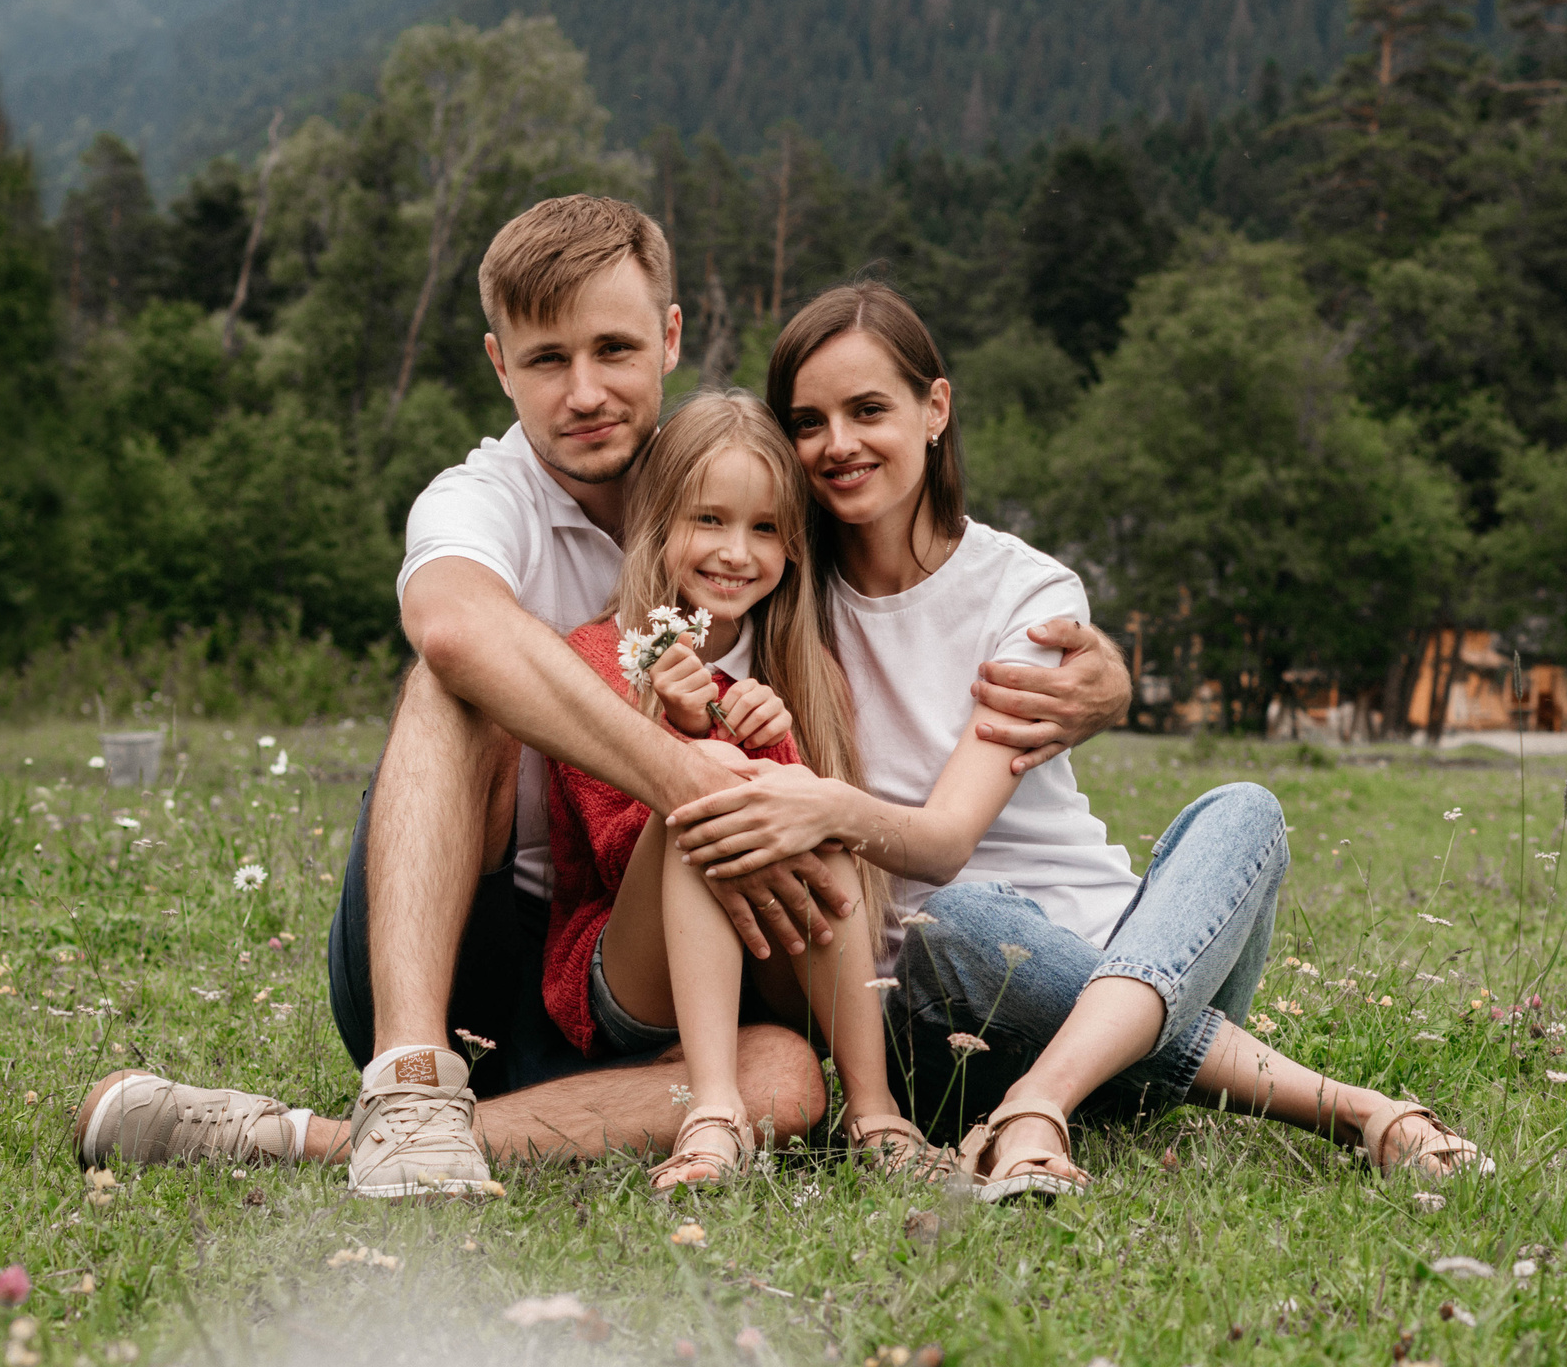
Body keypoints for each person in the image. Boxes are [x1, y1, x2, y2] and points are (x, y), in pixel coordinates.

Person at [71, 197, 1129, 1196]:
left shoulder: (729, 484)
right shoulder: (487, 499)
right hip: (467, 948)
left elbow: (895, 548)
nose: (585, 391)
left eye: (614, 351)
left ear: (669, 339)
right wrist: (688, 776)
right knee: (457, 672)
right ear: (499, 366)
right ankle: (406, 1077)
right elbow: (450, 622)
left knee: (782, 1085)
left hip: (669, 964)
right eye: (546, 360)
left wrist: (1094, 671)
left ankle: (299, 1140)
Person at [661, 282, 1486, 1199]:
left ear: (935, 409)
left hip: (1138, 958)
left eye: (868, 410)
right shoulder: (779, 589)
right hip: (943, 1015)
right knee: (961, 921)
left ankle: (1041, 1100)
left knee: (1245, 810)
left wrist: (828, 805)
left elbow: (943, 835)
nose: (838, 444)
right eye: (809, 422)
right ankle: (1355, 1109)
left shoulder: (1026, 589)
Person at [542, 390, 914, 1190]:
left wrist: (773, 746)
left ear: (794, 546)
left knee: (813, 813)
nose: (736, 552)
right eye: (709, 519)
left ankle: (875, 1111)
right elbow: (613, 851)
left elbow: (818, 848)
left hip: (765, 975)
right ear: (661, 522)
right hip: (631, 976)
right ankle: (713, 1114)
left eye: (765, 528)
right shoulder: (600, 657)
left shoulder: (808, 676)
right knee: (704, 802)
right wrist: (688, 740)